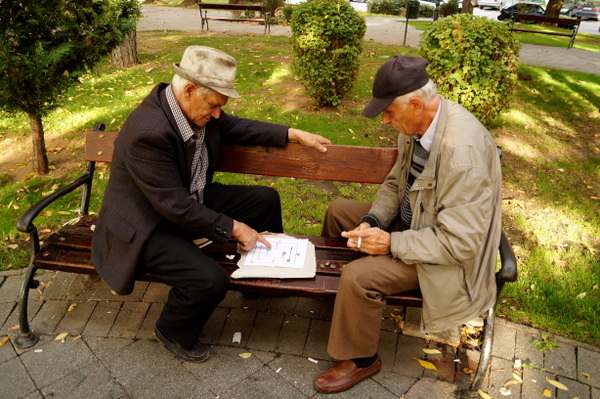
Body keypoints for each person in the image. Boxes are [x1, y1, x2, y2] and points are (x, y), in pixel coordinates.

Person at [91, 46, 330, 363]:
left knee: (265, 200)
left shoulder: (191, 108)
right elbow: (173, 205)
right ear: (189, 89)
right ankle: (171, 330)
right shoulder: (148, 131)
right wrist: (234, 228)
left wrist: (290, 132)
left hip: (188, 199)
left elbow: (234, 126)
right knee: (209, 280)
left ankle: (258, 279)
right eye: (214, 105)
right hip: (145, 225)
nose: (217, 114)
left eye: (221, 106)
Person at [313, 55, 502, 393]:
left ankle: (361, 358)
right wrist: (372, 221)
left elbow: (461, 244)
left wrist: (389, 244)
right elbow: (394, 185)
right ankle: (340, 305)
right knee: (340, 212)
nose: (384, 121)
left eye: (388, 112)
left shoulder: (462, 152)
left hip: (448, 261)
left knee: (359, 276)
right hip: (416, 224)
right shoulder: (418, 127)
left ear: (416, 103)